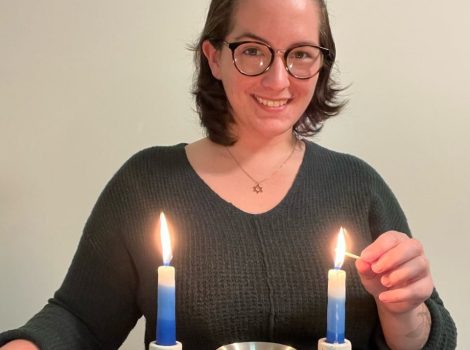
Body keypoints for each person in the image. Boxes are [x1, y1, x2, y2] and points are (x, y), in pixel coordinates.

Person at [0, 0, 457, 349]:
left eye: (300, 54)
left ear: (321, 64)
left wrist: (406, 312)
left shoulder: (359, 187)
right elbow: (79, 318)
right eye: (253, 51)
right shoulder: (146, 184)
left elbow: (428, 336)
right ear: (214, 57)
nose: (278, 79)